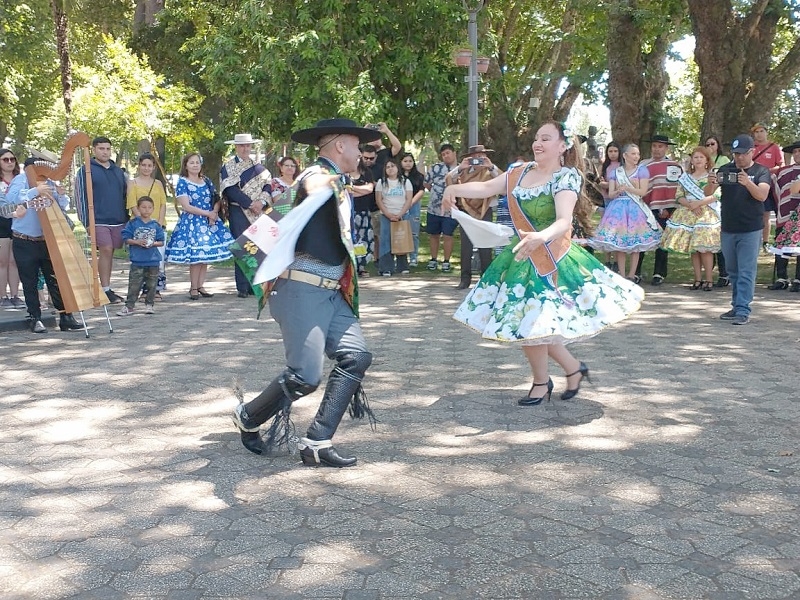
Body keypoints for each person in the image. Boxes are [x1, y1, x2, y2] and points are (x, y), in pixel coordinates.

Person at [442, 121, 643, 405]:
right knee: (535, 324)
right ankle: (572, 370)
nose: (538, 143)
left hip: (553, 258)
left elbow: (563, 221)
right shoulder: (518, 173)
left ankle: (544, 381)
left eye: (545, 138)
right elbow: (486, 186)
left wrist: (540, 236)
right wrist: (455, 190)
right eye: (537, 138)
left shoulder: (566, 177)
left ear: (563, 146)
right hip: (522, 256)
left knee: (535, 324)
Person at [230, 117, 381, 468]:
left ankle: (317, 441)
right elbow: (312, 184)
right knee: (305, 377)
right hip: (300, 290)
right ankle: (249, 416)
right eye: (358, 145)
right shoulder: (316, 175)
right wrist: (332, 185)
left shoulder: (336, 181)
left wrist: (344, 186)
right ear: (341, 145)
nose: (362, 152)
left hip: (330, 293)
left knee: (356, 357)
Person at [1, 159, 83, 333]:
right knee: (29, 280)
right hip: (25, 240)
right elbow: (11, 200)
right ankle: (35, 317)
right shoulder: (19, 180)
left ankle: (65, 316)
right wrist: (35, 191)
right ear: (32, 169)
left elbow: (62, 207)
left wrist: (60, 195)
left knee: (55, 278)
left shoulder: (50, 181)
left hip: (47, 239)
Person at [705, 134, 771, 325]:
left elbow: (762, 196)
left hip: (751, 228)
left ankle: (743, 309)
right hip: (728, 228)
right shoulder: (726, 169)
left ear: (752, 151)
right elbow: (708, 193)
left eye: (742, 153)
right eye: (735, 154)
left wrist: (748, 182)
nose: (739, 157)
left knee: (746, 271)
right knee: (733, 270)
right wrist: (712, 182)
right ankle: (736, 305)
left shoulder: (761, 171)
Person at [165, 152, 234, 299]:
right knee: (196, 257)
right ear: (186, 165)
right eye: (192, 162)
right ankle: (193, 287)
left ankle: (201, 285)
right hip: (192, 222)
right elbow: (186, 206)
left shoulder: (206, 181)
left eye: (197, 162)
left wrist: (214, 212)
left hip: (208, 221)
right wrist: (207, 213)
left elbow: (216, 198)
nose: (195, 165)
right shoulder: (183, 182)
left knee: (205, 256)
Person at [589, 143, 661, 281]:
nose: (636, 156)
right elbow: (610, 194)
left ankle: (632, 274)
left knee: (636, 244)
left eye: (638, 154)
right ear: (625, 155)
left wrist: (628, 188)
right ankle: (621, 275)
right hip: (618, 208)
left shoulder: (642, 171)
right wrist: (618, 191)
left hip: (635, 208)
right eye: (633, 154)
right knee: (620, 244)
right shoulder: (615, 173)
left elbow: (642, 191)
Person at [659, 146, 721, 290]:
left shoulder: (712, 176)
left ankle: (709, 280)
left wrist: (699, 203)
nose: (698, 160)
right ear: (691, 160)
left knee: (705, 249)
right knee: (694, 249)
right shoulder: (685, 178)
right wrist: (690, 205)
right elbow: (678, 195)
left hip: (705, 214)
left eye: (701, 157)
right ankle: (697, 279)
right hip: (688, 212)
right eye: (695, 157)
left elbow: (717, 195)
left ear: (707, 160)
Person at [75, 136, 128, 304]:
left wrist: (128, 219)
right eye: (101, 148)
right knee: (105, 248)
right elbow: (80, 197)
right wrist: (86, 222)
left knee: (110, 252)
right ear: (94, 150)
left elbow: (125, 195)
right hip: (98, 219)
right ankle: (103, 289)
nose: (105, 152)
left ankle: (106, 287)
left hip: (118, 219)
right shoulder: (86, 170)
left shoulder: (118, 171)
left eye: (107, 149)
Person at [220, 133, 271, 298]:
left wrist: (261, 203)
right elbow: (230, 190)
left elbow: (268, 186)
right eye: (242, 146)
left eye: (247, 145)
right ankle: (242, 286)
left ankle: (254, 285)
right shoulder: (227, 167)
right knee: (242, 247)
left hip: (258, 212)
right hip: (238, 211)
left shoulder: (259, 168)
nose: (245, 148)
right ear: (236, 147)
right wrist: (250, 203)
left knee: (257, 248)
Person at [446, 144, 502, 289]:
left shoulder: (489, 171)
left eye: (481, 155)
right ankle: (465, 279)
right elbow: (448, 179)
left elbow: (504, 180)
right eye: (475, 156)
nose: (478, 158)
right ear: (469, 158)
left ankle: (486, 280)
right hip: (466, 210)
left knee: (485, 245)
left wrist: (491, 167)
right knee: (466, 246)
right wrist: (460, 168)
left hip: (485, 209)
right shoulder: (463, 172)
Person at [638, 135, 680, 285]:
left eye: (660, 146)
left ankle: (659, 273)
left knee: (662, 241)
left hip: (664, 209)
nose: (657, 149)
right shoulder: (643, 164)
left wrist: (667, 207)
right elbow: (640, 186)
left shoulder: (673, 166)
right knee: (641, 239)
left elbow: (672, 188)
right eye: (654, 146)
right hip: (644, 207)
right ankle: (636, 271)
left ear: (666, 148)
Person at [127, 153, 168, 301]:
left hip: (156, 224)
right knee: (141, 257)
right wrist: (143, 221)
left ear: (153, 167)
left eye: (149, 165)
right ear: (139, 165)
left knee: (157, 259)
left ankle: (154, 290)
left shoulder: (157, 183)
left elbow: (163, 203)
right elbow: (132, 203)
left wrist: (159, 222)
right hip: (139, 225)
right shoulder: (133, 183)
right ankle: (138, 290)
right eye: (143, 165)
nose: (146, 168)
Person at [117, 196, 165, 316]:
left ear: (153, 209)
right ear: (138, 208)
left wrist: (152, 243)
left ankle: (149, 304)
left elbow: (161, 241)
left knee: (152, 285)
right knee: (134, 284)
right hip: (137, 260)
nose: (146, 210)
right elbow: (126, 237)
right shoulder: (133, 223)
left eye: (149, 207)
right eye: (143, 207)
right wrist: (137, 242)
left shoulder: (155, 225)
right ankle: (129, 306)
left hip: (153, 260)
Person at [424, 143, 459, 272]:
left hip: (451, 209)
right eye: (443, 154)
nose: (446, 156)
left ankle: (446, 261)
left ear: (454, 153)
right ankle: (433, 259)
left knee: (448, 235)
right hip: (434, 208)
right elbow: (426, 183)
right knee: (434, 234)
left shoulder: (461, 169)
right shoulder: (435, 168)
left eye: (448, 153)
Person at [770, 141, 800, 291]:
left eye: (799, 151)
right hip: (786, 212)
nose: (797, 154)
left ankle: (798, 279)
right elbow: (776, 186)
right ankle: (781, 278)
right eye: (794, 152)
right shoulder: (784, 171)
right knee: (781, 244)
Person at [376, 158, 413, 276]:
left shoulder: (405, 181)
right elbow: (379, 200)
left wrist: (400, 214)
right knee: (385, 241)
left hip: (402, 215)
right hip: (386, 215)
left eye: (393, 166)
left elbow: (409, 199)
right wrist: (388, 214)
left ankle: (402, 266)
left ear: (397, 168)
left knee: (401, 239)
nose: (390, 169)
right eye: (388, 167)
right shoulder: (381, 182)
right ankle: (386, 268)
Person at [750, 123, 784, 250]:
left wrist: (766, 171)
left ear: (766, 132)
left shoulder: (774, 147)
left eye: (761, 131)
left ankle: (765, 241)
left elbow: (780, 165)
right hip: (751, 183)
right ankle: (754, 240)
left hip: (767, 184)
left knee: (765, 214)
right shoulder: (750, 147)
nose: (759, 134)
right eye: (756, 132)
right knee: (752, 212)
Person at [705, 135, 732, 286]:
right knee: (709, 240)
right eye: (707, 144)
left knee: (720, 239)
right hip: (705, 202)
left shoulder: (724, 160)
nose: (710, 146)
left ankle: (724, 273)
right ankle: (710, 273)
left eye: (712, 144)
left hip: (719, 201)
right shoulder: (702, 161)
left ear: (718, 145)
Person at [0, 149, 23, 309]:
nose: (9, 162)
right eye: (5, 159)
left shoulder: (20, 180)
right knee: (2, 261)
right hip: (1, 223)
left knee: (14, 261)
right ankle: (3, 296)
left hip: (18, 222)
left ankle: (15, 295)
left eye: (12, 159)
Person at [349, 157, 376, 276]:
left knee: (364, 239)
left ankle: (361, 266)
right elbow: (343, 192)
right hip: (349, 212)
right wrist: (361, 190)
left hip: (364, 212)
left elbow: (369, 189)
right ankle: (351, 266)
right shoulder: (344, 174)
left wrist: (352, 188)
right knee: (350, 239)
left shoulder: (367, 173)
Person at [399, 152, 425, 267]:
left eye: (410, 161)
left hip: (414, 206)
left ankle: (413, 258)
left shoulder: (419, 176)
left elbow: (421, 191)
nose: (408, 163)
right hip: (399, 206)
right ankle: (401, 258)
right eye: (405, 161)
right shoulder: (397, 176)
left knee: (413, 233)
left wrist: (411, 202)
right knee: (400, 232)